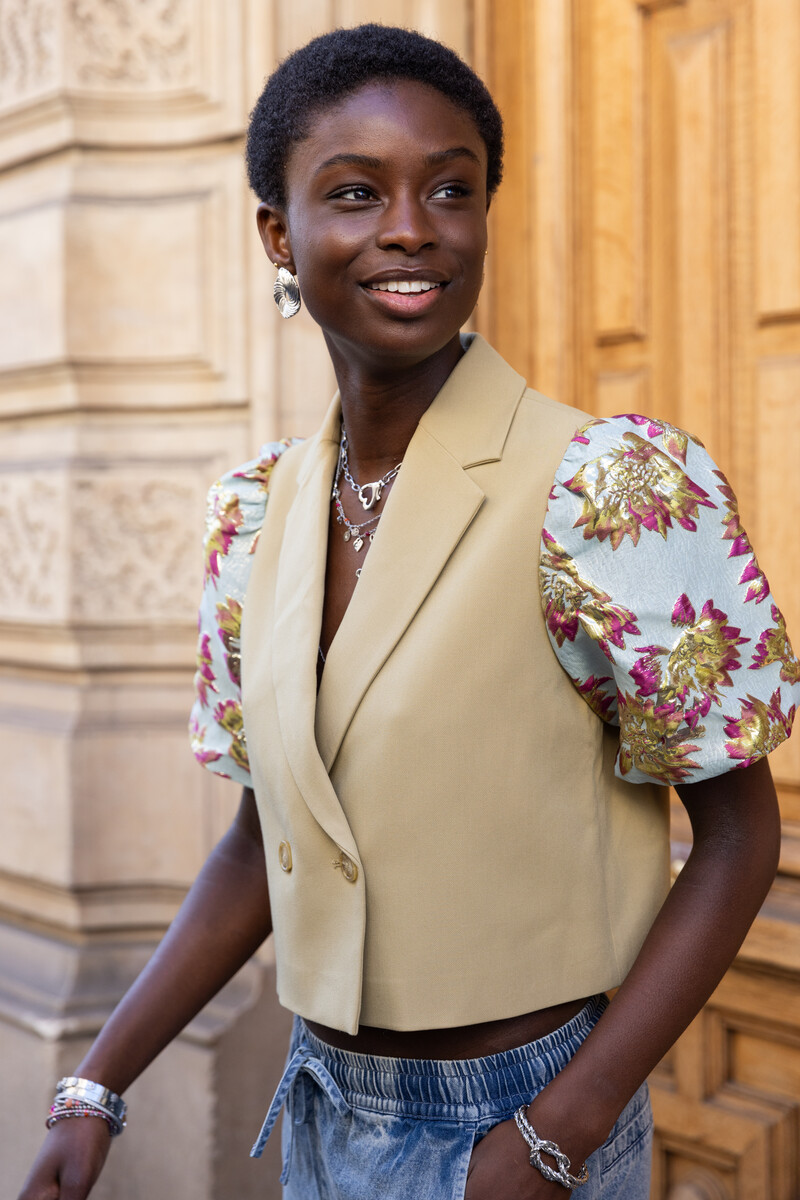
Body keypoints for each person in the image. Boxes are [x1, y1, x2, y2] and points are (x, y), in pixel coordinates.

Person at [18, 23, 800, 1200]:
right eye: (353, 192)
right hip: (323, 1109)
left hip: (527, 1122)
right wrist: (97, 1086)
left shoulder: (606, 487)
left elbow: (738, 837)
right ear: (278, 235)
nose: (409, 225)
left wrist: (553, 1135)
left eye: (451, 188)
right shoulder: (255, 514)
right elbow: (257, 846)